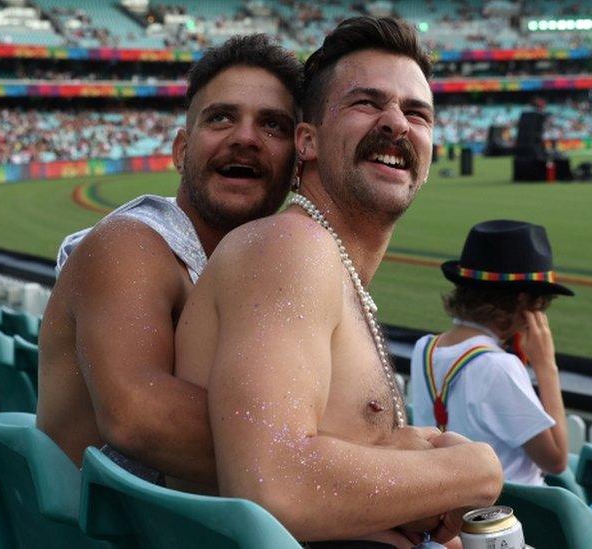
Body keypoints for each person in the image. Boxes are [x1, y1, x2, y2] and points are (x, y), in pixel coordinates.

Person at [174, 17, 502, 546]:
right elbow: (272, 487)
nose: (396, 123)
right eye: (367, 103)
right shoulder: (290, 250)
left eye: (416, 112)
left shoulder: (325, 264)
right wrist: (475, 470)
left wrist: (407, 469)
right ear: (308, 141)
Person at [36, 34, 302, 487]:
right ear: (181, 150)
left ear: (298, 163)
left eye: (273, 126)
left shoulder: (258, 269)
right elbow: (137, 415)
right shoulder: (129, 244)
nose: (245, 138)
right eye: (221, 118)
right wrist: (340, 459)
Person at [409, 219, 572, 486]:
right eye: (541, 302)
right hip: (509, 516)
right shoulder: (498, 367)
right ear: (522, 300)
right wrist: (547, 368)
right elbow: (555, 460)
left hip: (448, 502)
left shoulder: (425, 348)